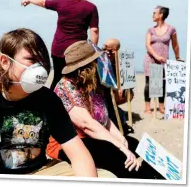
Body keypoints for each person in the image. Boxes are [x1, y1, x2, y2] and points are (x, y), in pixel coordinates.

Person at [0, 28, 97, 177]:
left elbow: (78, 154)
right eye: (31, 60)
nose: (39, 68)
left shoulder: (48, 99)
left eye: (42, 61)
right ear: (5, 61)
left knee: (106, 178)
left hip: (39, 172)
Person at [46, 40, 165, 179]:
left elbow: (104, 119)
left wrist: (121, 140)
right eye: (97, 61)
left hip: (94, 137)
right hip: (69, 143)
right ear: (88, 66)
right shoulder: (65, 87)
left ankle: (163, 176)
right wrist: (120, 147)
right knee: (116, 154)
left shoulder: (93, 85)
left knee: (135, 144)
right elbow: (87, 125)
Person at [21, 0, 99, 91]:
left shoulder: (62, 3)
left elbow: (43, 2)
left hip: (59, 49)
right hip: (79, 51)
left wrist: (29, 0)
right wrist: (92, 51)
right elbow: (94, 30)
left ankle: (54, 103)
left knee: (57, 77)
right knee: (77, 79)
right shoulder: (91, 7)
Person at [143, 6, 182, 114]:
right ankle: (147, 107)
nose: (153, 15)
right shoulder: (150, 30)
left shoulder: (171, 29)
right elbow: (148, 45)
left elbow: (175, 45)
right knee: (149, 83)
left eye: (154, 13)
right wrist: (156, 56)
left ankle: (161, 107)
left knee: (162, 83)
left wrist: (177, 57)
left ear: (161, 15)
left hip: (163, 60)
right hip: (150, 59)